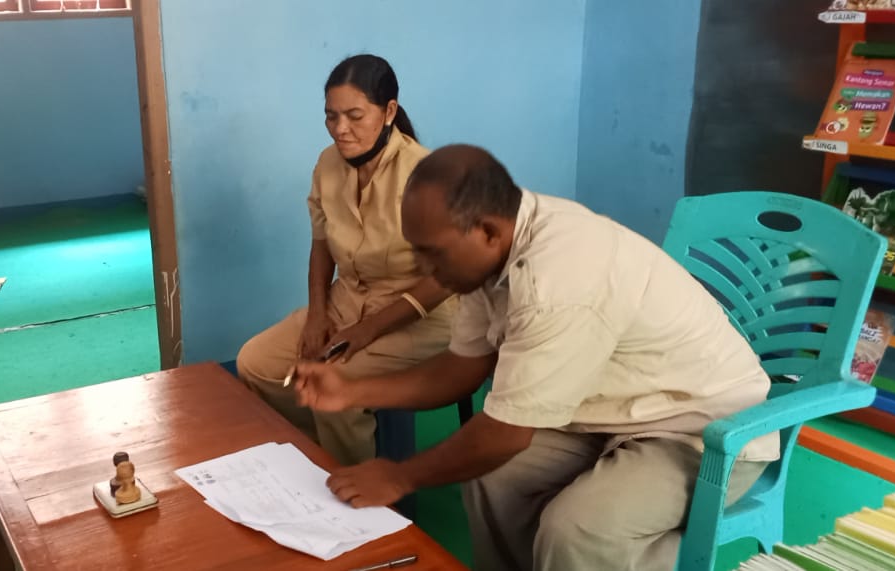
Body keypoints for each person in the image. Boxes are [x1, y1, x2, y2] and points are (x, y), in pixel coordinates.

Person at [293, 145, 779, 570]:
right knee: (490, 478)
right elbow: (461, 369)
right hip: (605, 409)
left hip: (700, 428)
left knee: (578, 529)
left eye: (432, 253)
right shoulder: (491, 252)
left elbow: (504, 435)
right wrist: (354, 390)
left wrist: (399, 476)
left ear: (486, 231)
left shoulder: (557, 280)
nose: (424, 269)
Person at [236, 54, 457, 466]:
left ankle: (362, 504)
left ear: (389, 111)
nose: (340, 128)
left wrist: (368, 329)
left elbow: (446, 279)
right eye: (331, 116)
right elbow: (321, 245)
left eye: (355, 115)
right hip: (347, 299)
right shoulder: (327, 164)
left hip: (422, 317)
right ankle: (322, 460)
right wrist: (318, 314)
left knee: (330, 382)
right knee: (255, 363)